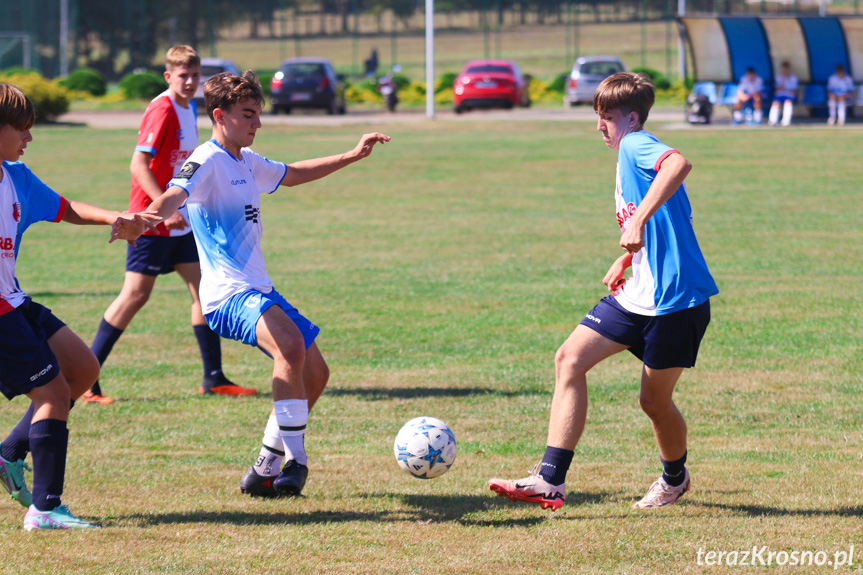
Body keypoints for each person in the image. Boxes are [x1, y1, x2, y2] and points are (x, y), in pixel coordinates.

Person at [110, 71, 390, 498]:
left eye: (259, 115)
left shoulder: (245, 159)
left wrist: (352, 155)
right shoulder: (206, 160)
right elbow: (172, 195)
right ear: (220, 116)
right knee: (289, 348)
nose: (257, 124)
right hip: (226, 295)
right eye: (248, 115)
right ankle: (295, 463)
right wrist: (143, 220)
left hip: (259, 288)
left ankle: (263, 468)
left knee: (315, 374)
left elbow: (292, 173)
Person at [488, 72, 718, 511]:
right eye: (598, 116)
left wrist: (637, 221)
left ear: (631, 118)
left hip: (675, 301)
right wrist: (630, 257)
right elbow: (668, 222)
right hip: (638, 293)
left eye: (607, 117)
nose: (600, 126)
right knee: (569, 359)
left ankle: (674, 478)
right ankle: (549, 480)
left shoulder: (635, 144)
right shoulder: (628, 155)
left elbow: (679, 163)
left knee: (654, 403)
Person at [0, 83, 157, 529]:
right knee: (51, 394)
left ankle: (9, 453)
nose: (29, 138)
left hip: (14, 299)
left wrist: (117, 218)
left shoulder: (16, 178)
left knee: (83, 369)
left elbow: (66, 208)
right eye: (21, 129)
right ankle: (46, 510)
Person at [83, 45, 255, 405]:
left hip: (182, 222)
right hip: (153, 222)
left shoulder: (189, 107)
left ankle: (213, 377)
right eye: (183, 75)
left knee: (202, 291)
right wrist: (161, 208)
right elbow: (138, 165)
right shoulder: (162, 109)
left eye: (195, 75)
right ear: (168, 76)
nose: (191, 82)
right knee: (134, 296)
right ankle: (86, 379)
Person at [768, 61, 798, 127]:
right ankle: (773, 121)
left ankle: (786, 122)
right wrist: (783, 80)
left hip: (789, 95)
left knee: (788, 102)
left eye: (786, 69)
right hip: (780, 95)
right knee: (776, 102)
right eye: (783, 69)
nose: (784, 70)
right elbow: (777, 88)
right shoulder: (778, 77)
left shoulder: (793, 78)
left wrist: (786, 89)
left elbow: (794, 90)